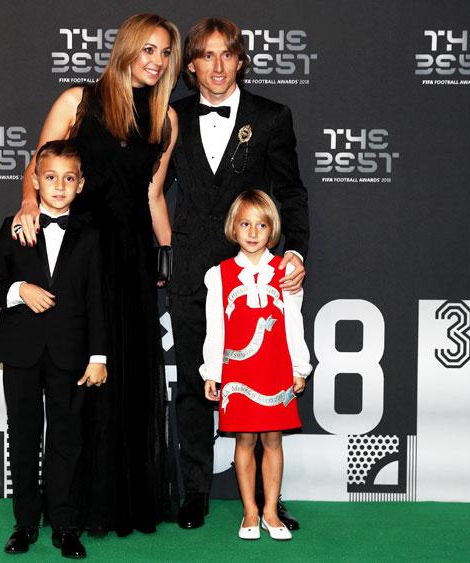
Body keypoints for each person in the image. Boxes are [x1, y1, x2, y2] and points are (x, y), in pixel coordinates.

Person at [11, 14, 182, 536]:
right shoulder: (77, 102)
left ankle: (114, 503)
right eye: (148, 49)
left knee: (123, 375)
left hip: (130, 259)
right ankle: (67, 504)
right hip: (79, 256)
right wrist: (26, 206)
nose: (155, 61)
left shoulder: (166, 119)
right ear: (128, 47)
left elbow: (152, 195)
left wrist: (170, 251)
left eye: (164, 53)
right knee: (73, 378)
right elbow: (37, 165)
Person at [170, 17, 310, 529]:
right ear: (190, 66)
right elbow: (149, 189)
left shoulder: (271, 117)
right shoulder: (171, 116)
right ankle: (194, 492)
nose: (217, 65)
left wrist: (294, 254)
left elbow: (291, 192)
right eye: (206, 55)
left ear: (241, 60)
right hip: (188, 270)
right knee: (192, 382)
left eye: (227, 54)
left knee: (265, 382)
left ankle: (266, 503)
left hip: (256, 273)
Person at [0, 140, 107, 558]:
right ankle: (25, 525)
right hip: (20, 352)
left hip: (71, 355)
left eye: (68, 179)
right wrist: (20, 290)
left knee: (67, 440)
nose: (58, 186)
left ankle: (66, 526)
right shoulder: (13, 226)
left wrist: (99, 356)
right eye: (50, 177)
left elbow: (97, 301)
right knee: (23, 437)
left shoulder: (90, 235)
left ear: (81, 184)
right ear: (35, 180)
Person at [201, 189, 311, 540]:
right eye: (245, 224)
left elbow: (295, 323)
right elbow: (214, 328)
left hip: (276, 368)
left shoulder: (286, 272)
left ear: (272, 230)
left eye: (261, 225)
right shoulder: (218, 275)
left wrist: (300, 368)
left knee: (273, 440)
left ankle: (270, 512)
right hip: (238, 373)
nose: (252, 232)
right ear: (233, 228)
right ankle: (249, 511)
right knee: (245, 439)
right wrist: (212, 372)